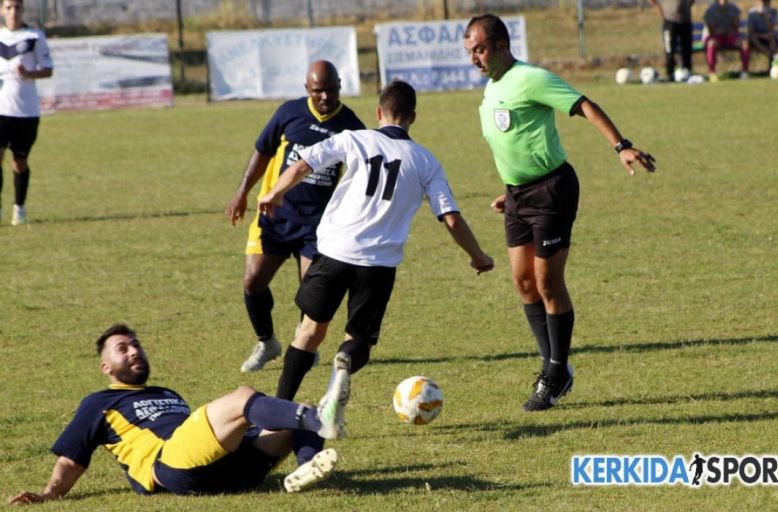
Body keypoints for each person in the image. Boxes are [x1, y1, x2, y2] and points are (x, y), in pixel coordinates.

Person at [257, 80, 494, 437]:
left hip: (334, 251)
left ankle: (278, 414)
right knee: (359, 342)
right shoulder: (426, 161)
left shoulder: (355, 138)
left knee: (309, 332)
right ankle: (344, 366)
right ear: (413, 117)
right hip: (378, 265)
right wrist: (478, 256)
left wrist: (275, 193)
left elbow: (302, 165)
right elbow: (451, 218)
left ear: (379, 113)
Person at [463, 14, 656, 412]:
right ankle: (554, 366)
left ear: (501, 45)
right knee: (522, 283)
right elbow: (515, 142)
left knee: (547, 282)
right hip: (518, 197)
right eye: (470, 52)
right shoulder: (492, 88)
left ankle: (554, 372)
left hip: (552, 190)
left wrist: (621, 146)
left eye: (480, 49)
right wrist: (508, 192)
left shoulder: (530, 78)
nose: (474, 59)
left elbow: (583, 104)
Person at [8, 323, 341, 504]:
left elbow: (208, 435)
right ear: (106, 367)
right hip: (170, 466)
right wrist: (49, 494)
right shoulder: (99, 402)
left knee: (295, 414)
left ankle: (307, 467)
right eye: (123, 349)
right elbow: (71, 459)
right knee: (244, 397)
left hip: (230, 469)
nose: (134, 350)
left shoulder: (168, 393)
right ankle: (318, 420)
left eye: (136, 344)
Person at [225, 60, 365, 373]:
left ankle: (304, 345)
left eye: (331, 90)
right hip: (273, 215)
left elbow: (365, 170)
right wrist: (242, 192)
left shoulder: (351, 126)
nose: (325, 97)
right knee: (252, 281)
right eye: (318, 91)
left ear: (340, 86)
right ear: (307, 89)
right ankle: (266, 342)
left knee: (311, 293)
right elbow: (262, 151)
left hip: (318, 224)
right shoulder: (289, 113)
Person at [0, 0, 53, 226]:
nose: (13, 12)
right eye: (9, 7)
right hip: (1, 109)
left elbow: (48, 70)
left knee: (19, 161)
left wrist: (29, 73)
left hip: (26, 111)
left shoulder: (34, 36)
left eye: (17, 7)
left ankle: (19, 207)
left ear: (23, 9)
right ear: (2, 10)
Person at [703, 0, 751, 80]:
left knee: (744, 44)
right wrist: (719, 32)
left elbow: (736, 26)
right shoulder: (710, 10)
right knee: (711, 44)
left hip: (730, 36)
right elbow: (711, 29)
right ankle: (712, 73)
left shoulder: (733, 9)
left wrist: (730, 30)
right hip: (716, 37)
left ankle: (744, 72)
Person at [650, 0, 695, 81]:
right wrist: (660, 10)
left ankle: (687, 73)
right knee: (669, 50)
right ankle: (670, 74)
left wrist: (688, 6)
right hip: (670, 21)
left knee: (687, 49)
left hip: (685, 21)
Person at [747, 0, 778, 72]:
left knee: (772, 38)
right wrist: (761, 35)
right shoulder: (752, 13)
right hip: (757, 37)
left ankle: (773, 67)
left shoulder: (773, 11)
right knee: (753, 38)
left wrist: (765, 17)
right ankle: (769, 54)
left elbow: (773, 29)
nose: (765, 4)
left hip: (768, 36)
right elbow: (751, 31)